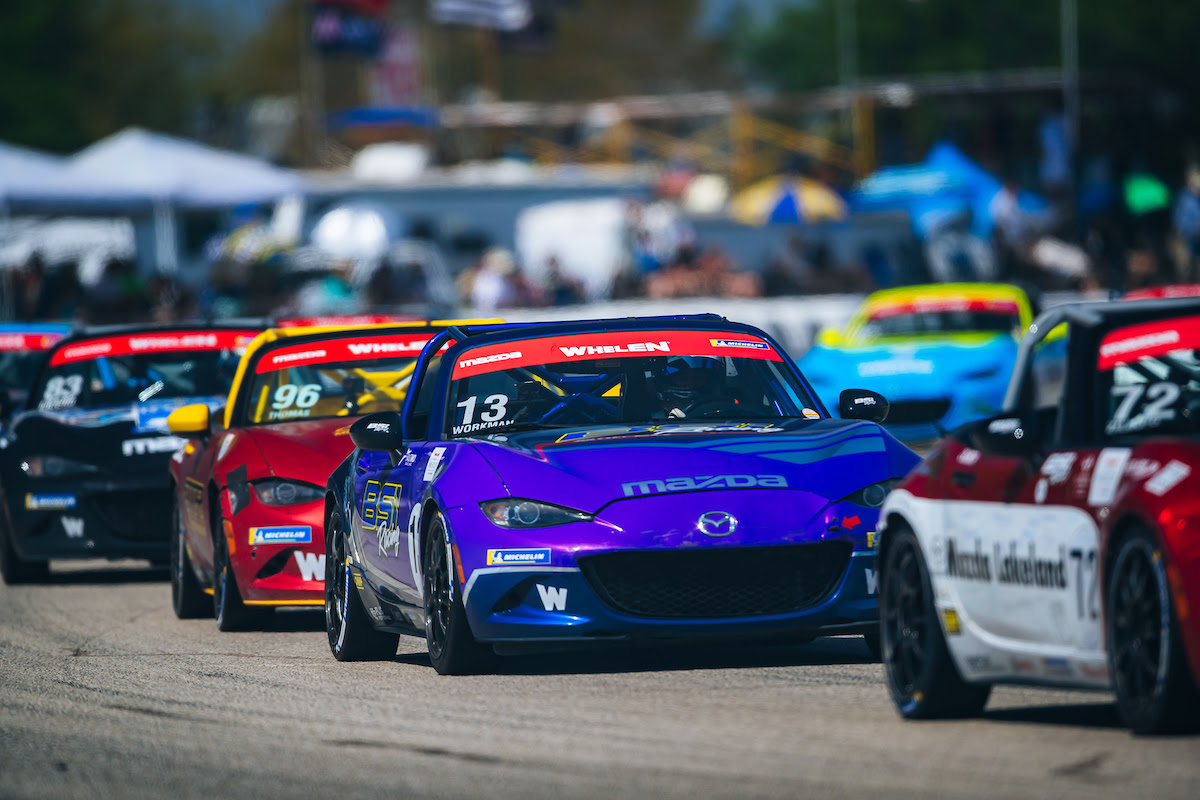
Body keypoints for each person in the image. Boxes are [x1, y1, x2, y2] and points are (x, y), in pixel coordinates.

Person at [1172, 168, 1200, 282]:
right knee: (1187, 269)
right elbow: (1180, 222)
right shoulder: (1185, 199)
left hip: (1196, 241)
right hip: (1187, 240)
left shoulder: (1196, 198)